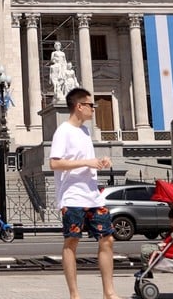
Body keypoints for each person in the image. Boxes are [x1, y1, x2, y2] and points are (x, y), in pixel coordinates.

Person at [49, 87, 121, 299]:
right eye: (91, 105)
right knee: (72, 242)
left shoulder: (85, 131)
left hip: (92, 195)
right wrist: (86, 162)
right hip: (72, 196)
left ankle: (109, 292)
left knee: (107, 239)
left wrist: (100, 161)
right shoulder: (63, 131)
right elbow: (54, 162)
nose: (94, 109)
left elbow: (85, 159)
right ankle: (75, 294)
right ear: (79, 106)